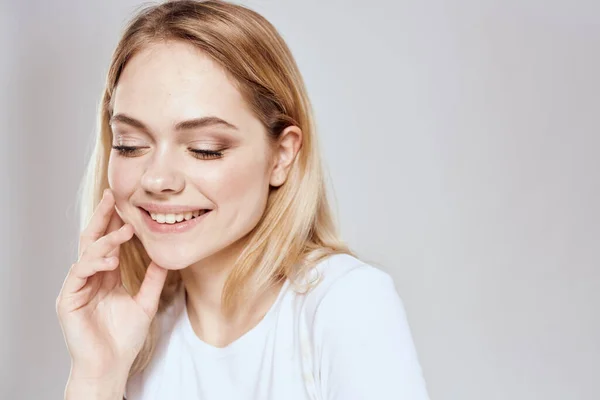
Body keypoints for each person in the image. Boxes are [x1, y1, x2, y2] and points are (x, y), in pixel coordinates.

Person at [55, 1, 430, 399]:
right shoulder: (133, 334)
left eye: (205, 148)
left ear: (281, 156)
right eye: (130, 145)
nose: (158, 178)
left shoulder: (346, 304)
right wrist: (97, 376)